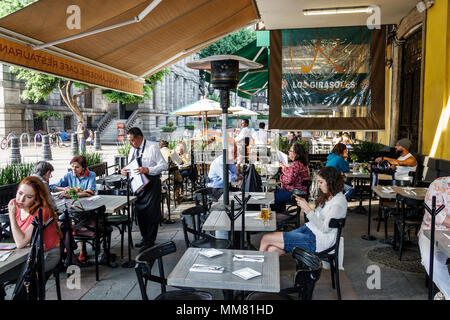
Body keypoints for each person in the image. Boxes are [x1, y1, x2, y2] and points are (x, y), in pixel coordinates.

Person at [260, 167, 347, 255]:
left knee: (266, 238)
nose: (319, 185)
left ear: (331, 182)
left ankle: (256, 265)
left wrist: (308, 209)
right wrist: (306, 206)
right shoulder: (329, 195)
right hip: (311, 230)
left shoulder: (338, 204)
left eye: (321, 182)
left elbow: (325, 229)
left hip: (318, 241)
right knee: (271, 250)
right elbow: (317, 218)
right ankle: (261, 266)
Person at [121, 127, 168, 253]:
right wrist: (124, 170)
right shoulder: (132, 150)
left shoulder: (152, 147)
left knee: (151, 214)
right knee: (140, 213)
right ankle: (144, 237)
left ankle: (150, 240)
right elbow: (130, 166)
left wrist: (148, 169)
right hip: (138, 185)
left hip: (152, 184)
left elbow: (164, 165)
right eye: (129, 141)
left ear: (139, 137)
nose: (130, 143)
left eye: (132, 140)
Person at [8, 176, 62, 272]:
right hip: (28, 254)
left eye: (29, 197)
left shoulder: (42, 211)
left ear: (36, 199)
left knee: (18, 275)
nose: (21, 199)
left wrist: (11, 216)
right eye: (20, 193)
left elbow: (21, 243)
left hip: (47, 255)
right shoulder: (16, 207)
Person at [51, 155, 96, 262]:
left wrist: (73, 194)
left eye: (76, 167)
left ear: (83, 167)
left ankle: (80, 250)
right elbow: (53, 187)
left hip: (86, 207)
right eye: (72, 167)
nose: (74, 170)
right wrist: (64, 189)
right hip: (71, 207)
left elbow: (90, 192)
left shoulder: (91, 175)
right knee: (62, 220)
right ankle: (70, 245)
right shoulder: (69, 175)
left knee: (76, 220)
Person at [417, 176, 450, 300]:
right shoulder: (439, 184)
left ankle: (444, 294)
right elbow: (438, 217)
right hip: (431, 231)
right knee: (430, 259)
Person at [273, 142, 309, 213]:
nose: (288, 152)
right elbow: (291, 175)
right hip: (300, 193)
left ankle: (279, 217)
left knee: (272, 197)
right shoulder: (300, 164)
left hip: (294, 194)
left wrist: (281, 177)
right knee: (277, 194)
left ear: (295, 154)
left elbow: (288, 180)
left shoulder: (295, 164)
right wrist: (284, 167)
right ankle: (281, 216)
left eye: (290, 151)